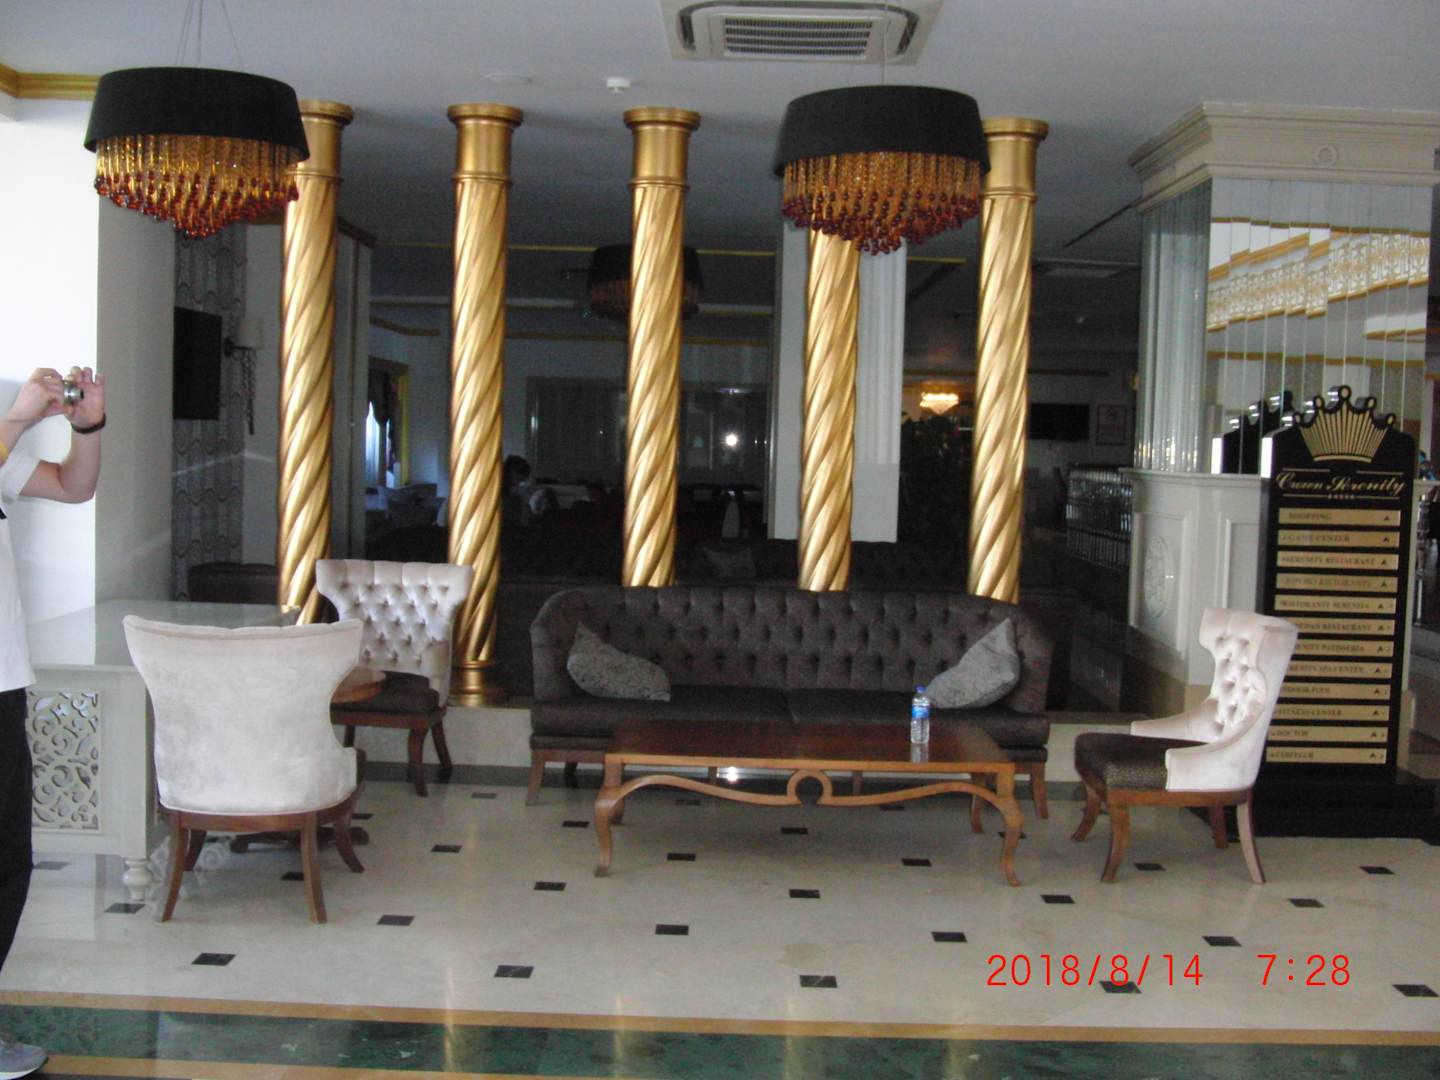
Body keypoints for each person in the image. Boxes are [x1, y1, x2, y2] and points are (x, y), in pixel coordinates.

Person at [0, 366, 105, 1080]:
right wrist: (16, 418)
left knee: (11, 859)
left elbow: (74, 486)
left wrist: (88, 426)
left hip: (5, 681)